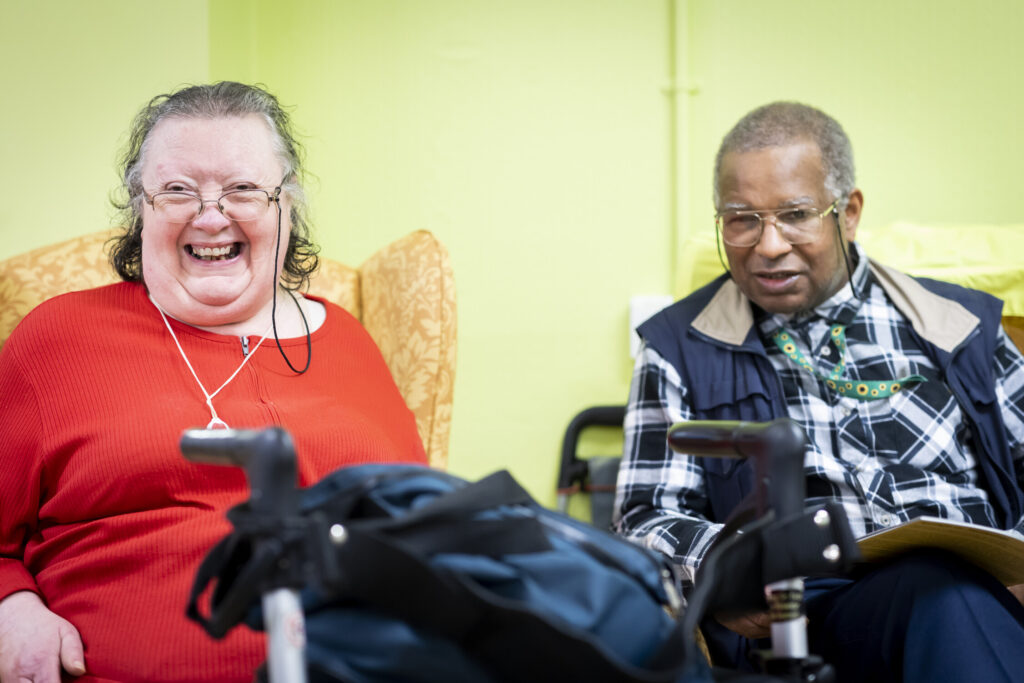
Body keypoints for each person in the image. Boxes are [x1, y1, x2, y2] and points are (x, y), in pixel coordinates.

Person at [0, 82, 427, 683]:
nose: (209, 214)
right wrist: (10, 611)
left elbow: (424, 530)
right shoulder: (58, 338)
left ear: (286, 206)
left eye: (243, 189)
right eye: (176, 190)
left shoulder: (351, 341)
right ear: (140, 207)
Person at [614, 101, 1024, 682]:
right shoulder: (680, 346)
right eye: (741, 218)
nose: (769, 245)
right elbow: (644, 518)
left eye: (796, 214)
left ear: (848, 213)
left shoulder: (959, 327)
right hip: (807, 619)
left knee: (949, 591)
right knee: (936, 592)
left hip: (989, 591)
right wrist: (729, 566)